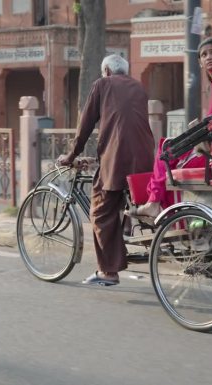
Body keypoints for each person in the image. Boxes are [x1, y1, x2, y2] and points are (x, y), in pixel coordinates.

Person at [57, 54, 155, 286]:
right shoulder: (139, 87)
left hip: (118, 158)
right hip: (144, 158)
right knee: (128, 201)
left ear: (107, 72)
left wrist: (72, 155)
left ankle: (108, 271)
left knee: (100, 212)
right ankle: (126, 233)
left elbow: (86, 125)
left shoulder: (102, 84)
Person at [134, 37, 212, 218]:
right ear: (200, 62)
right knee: (171, 148)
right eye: (204, 55)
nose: (209, 57)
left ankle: (154, 202)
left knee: (166, 149)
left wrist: (197, 133)